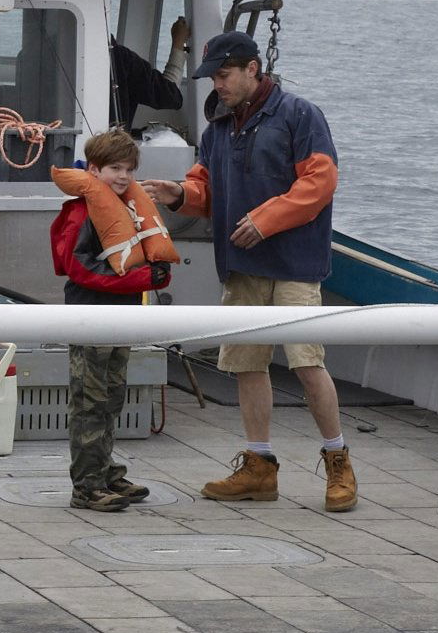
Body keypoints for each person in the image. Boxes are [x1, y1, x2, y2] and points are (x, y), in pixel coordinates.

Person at [144, 29, 359, 512]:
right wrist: (180, 194)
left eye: (223, 76)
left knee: (307, 361)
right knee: (245, 363)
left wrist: (264, 221)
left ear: (251, 69)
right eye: (212, 78)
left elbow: (320, 183)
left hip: (296, 265)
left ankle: (338, 458)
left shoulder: (301, 115)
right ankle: (259, 467)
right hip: (241, 266)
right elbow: (206, 190)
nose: (216, 86)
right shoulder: (217, 128)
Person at [47, 129, 171, 511]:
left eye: (130, 170)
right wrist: (145, 278)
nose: (123, 177)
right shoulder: (83, 212)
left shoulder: (126, 208)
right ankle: (86, 485)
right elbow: (80, 269)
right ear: (94, 169)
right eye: (115, 168)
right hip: (90, 315)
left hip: (121, 316)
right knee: (89, 401)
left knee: (112, 395)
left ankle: (103, 469)